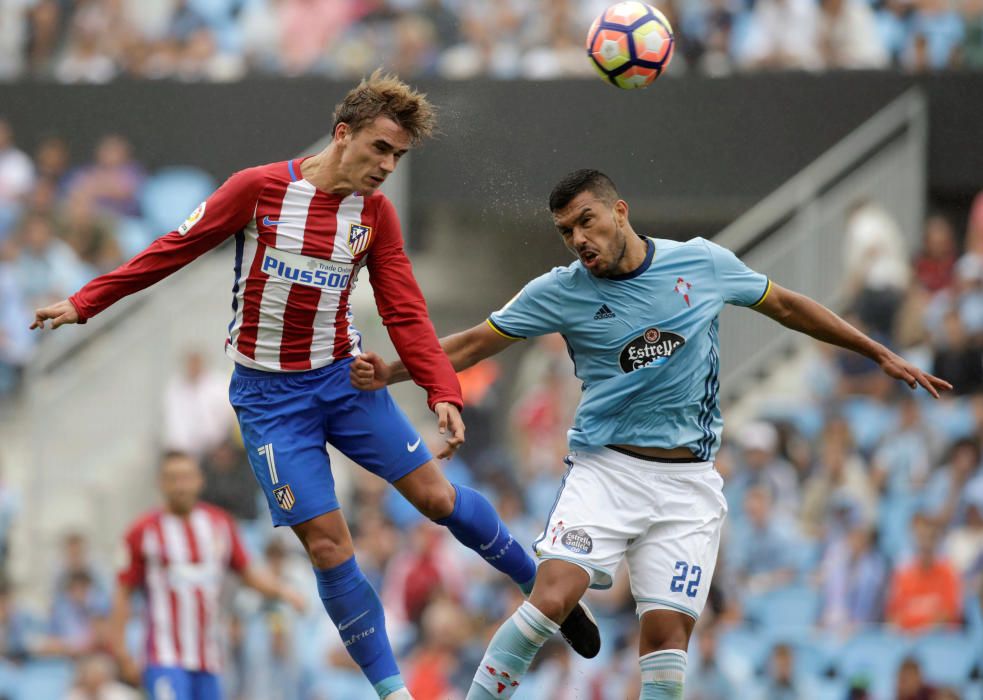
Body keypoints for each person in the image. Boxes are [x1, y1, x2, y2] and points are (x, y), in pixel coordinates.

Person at [31, 73, 597, 699]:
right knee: (329, 545)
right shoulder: (259, 190)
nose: (387, 166)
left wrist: (443, 393)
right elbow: (174, 248)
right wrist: (85, 302)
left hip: (343, 381)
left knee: (437, 499)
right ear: (342, 133)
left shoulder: (375, 215)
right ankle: (393, 692)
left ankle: (541, 589)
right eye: (380, 149)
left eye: (398, 157)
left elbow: (404, 309)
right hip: (271, 403)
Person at [350, 169, 952, 699]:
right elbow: (477, 340)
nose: (579, 239)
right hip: (605, 470)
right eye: (566, 231)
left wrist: (879, 353)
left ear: (620, 211)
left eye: (586, 221)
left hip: (689, 484)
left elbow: (790, 306)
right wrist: (395, 370)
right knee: (553, 595)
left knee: (665, 641)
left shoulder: (703, 263)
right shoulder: (561, 291)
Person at [108, 451, 306, 700]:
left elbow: (248, 572)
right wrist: (122, 652)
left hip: (209, 658)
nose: (180, 486)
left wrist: (284, 592)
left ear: (199, 480)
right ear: (161, 482)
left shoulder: (219, 524)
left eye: (186, 477)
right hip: (165, 657)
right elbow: (122, 593)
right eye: (173, 478)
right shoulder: (142, 531)